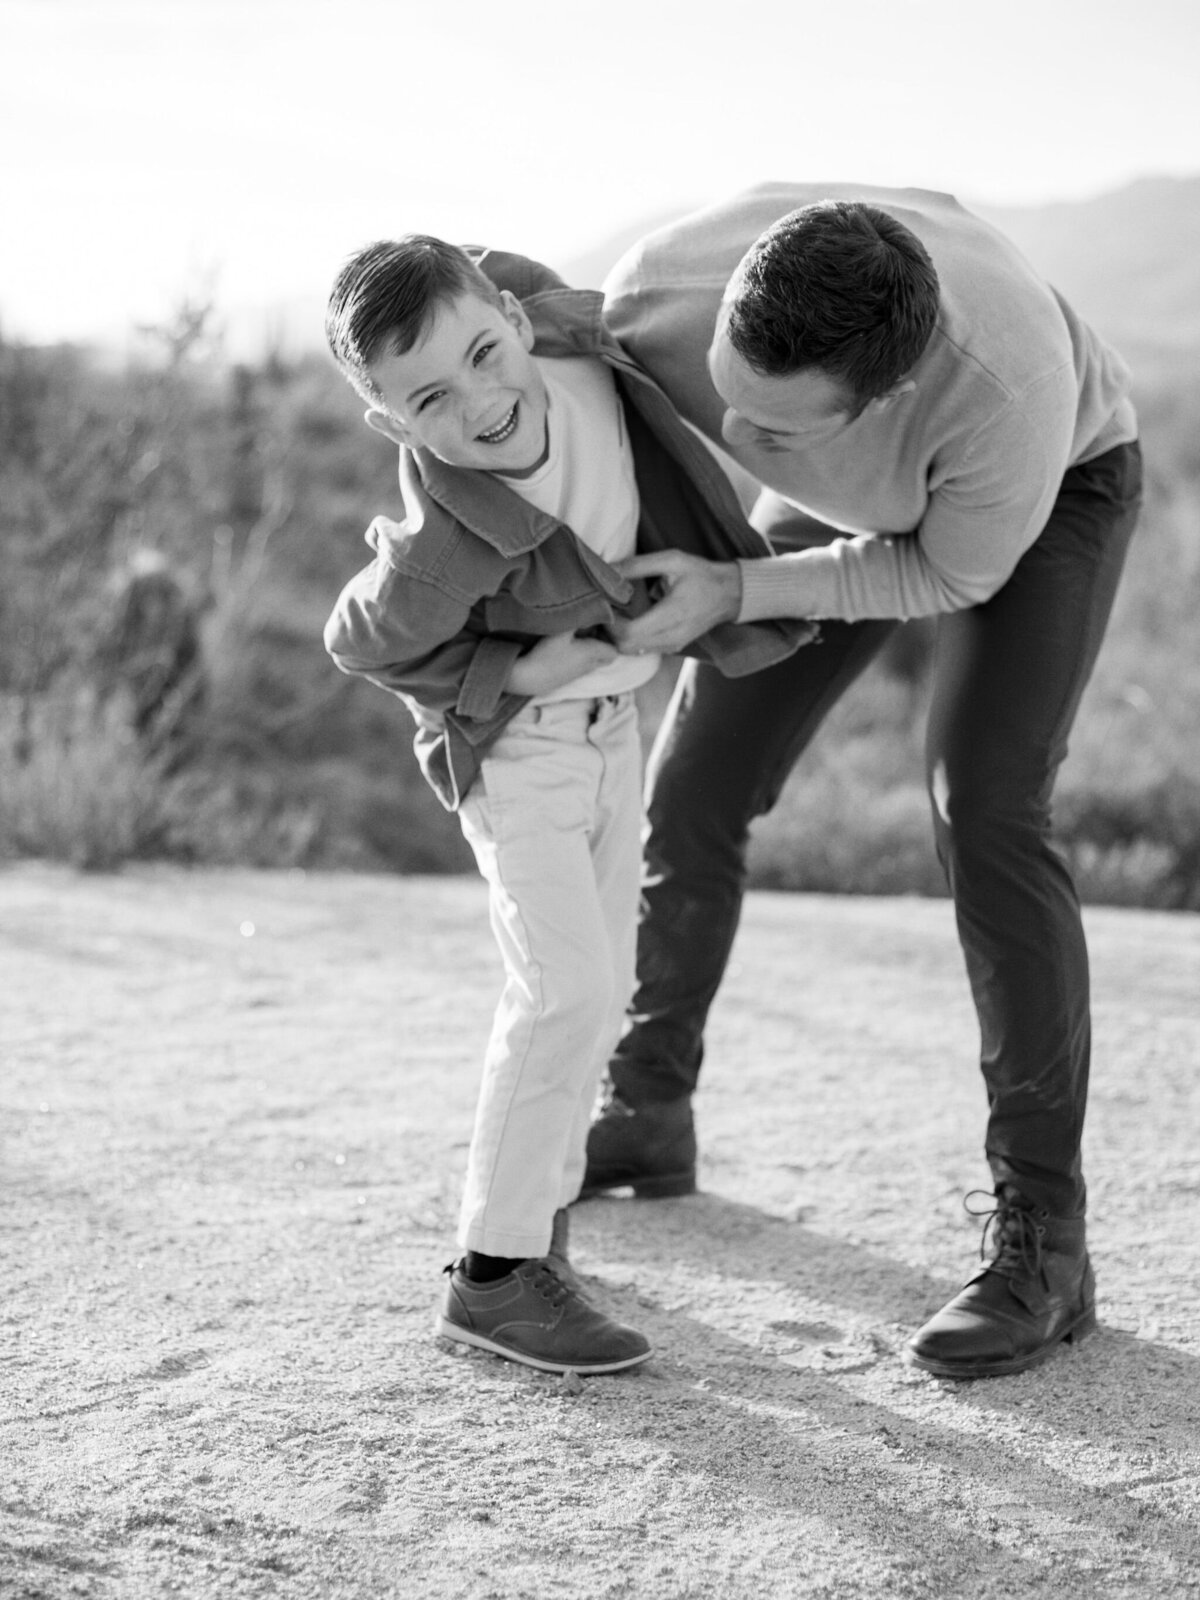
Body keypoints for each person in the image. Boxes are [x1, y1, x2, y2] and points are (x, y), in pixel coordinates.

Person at [581, 183, 1143, 1381]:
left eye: (774, 429)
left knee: (984, 806)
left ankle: (1047, 1247)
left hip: (1048, 502)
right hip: (836, 497)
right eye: (731, 397)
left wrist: (738, 589)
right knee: (695, 776)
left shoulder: (1011, 398)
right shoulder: (663, 293)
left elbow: (937, 574)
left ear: (883, 394)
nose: (739, 441)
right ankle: (646, 1105)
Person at [322, 235, 812, 1376]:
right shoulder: (444, 536)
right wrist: (509, 675)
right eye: (431, 400)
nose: (481, 401)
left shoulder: (566, 331)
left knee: (600, 991)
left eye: (486, 353)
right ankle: (492, 1277)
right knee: (563, 991)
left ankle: (540, 1235)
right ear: (395, 425)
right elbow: (356, 641)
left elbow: (517, 274)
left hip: (615, 733)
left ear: (508, 312)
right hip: (523, 754)